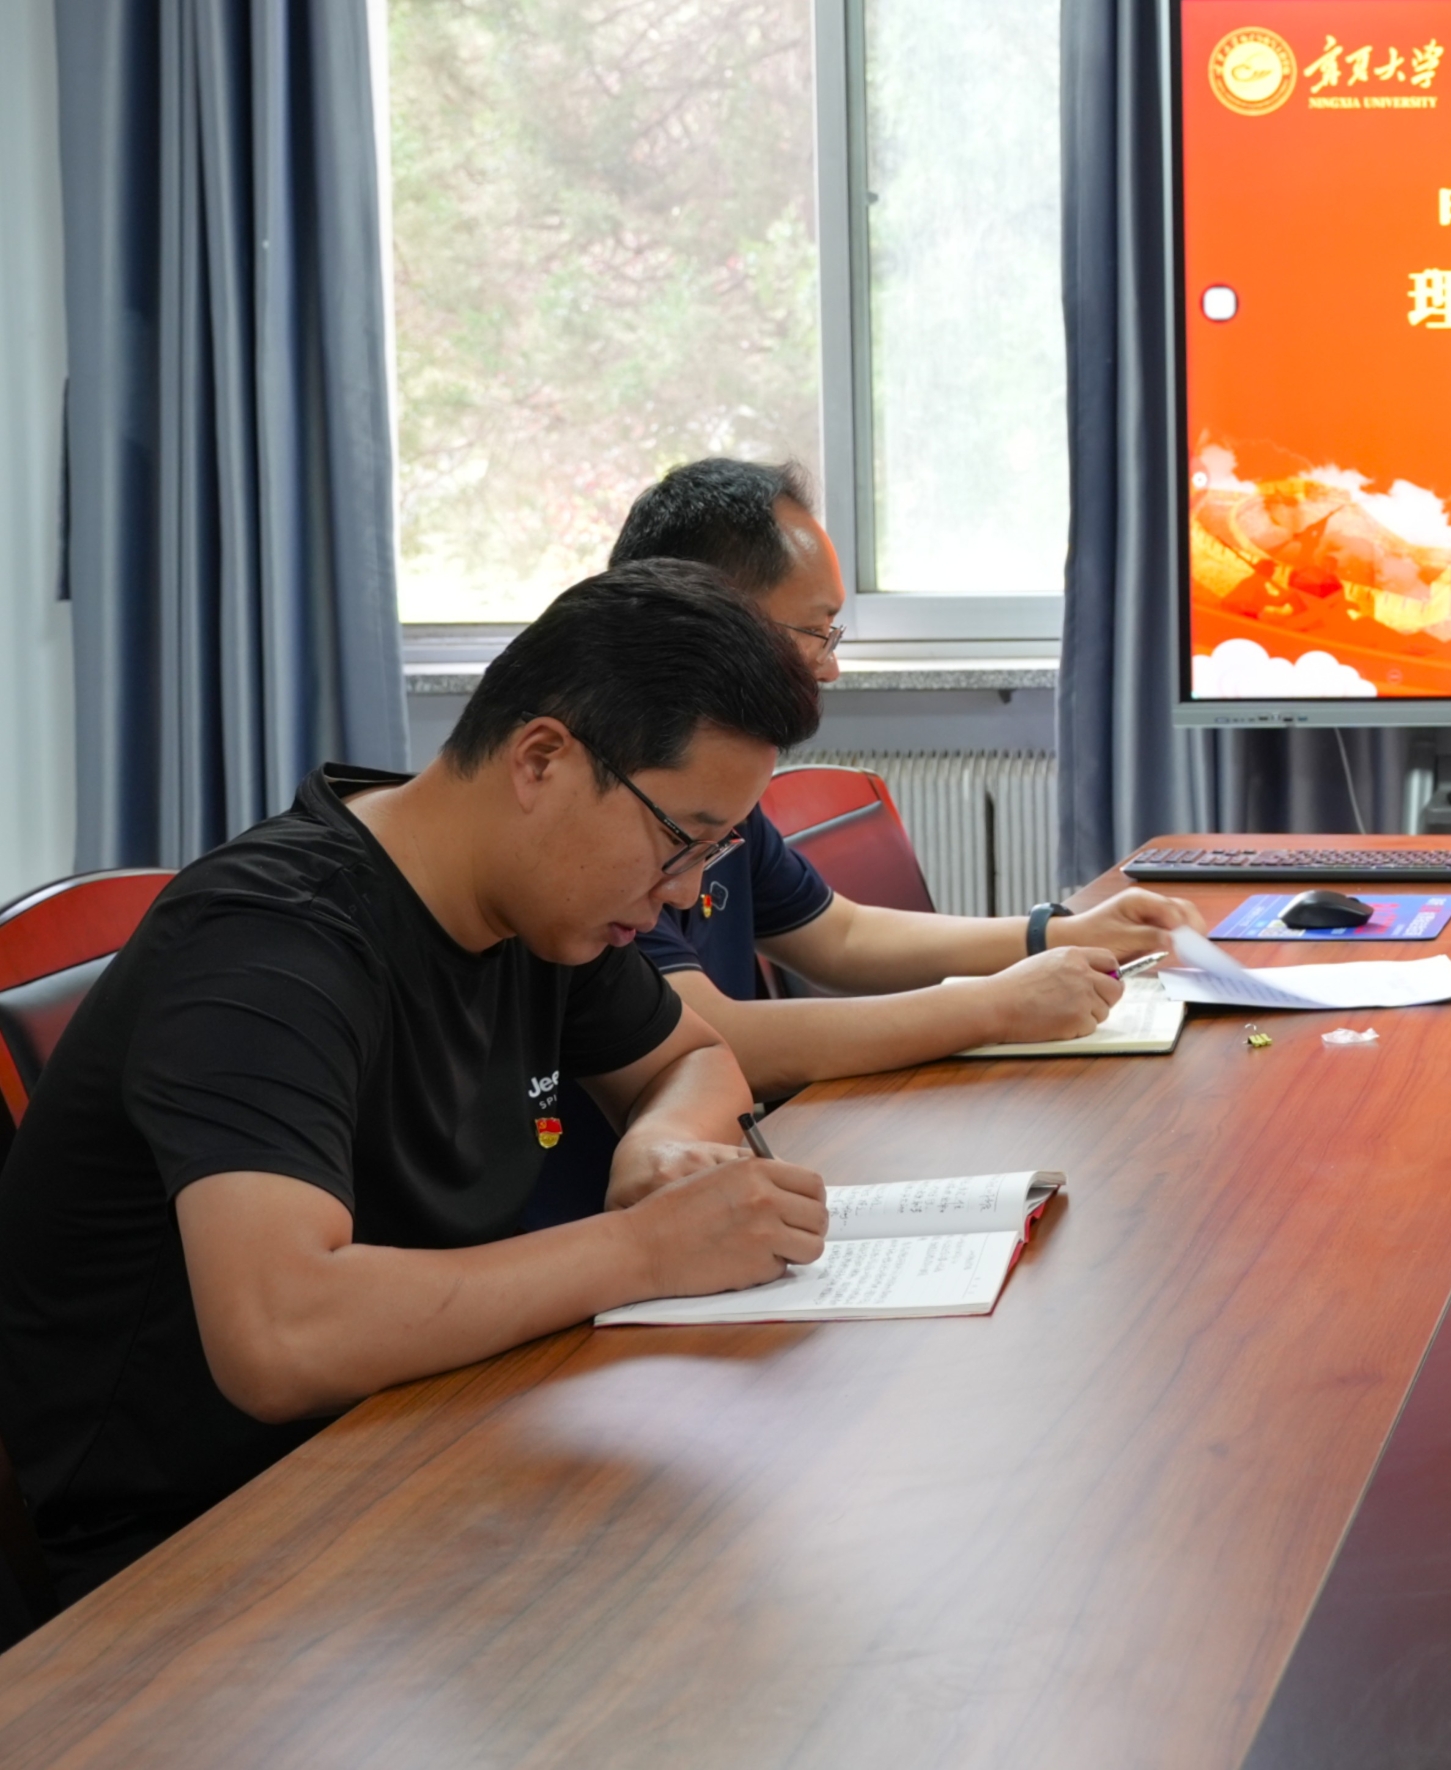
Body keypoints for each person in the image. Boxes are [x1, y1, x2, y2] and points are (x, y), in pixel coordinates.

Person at [0, 563, 841, 1601]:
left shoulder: (538, 910)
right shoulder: (271, 943)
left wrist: (660, 1143)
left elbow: (693, 1057)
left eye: (713, 854)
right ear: (541, 759)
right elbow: (279, 1332)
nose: (684, 894)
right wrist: (643, 1248)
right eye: (680, 841)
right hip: (199, 1558)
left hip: (422, 1439)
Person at [523, 460, 1196, 1224]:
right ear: (709, 617)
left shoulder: (708, 798)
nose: (831, 666)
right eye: (816, 631)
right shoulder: (600, 817)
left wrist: (1054, 933)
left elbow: (835, 936)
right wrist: (994, 1007)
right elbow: (713, 1034)